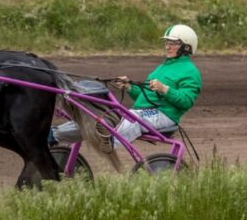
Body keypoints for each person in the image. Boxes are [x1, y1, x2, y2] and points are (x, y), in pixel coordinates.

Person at [50, 24, 203, 148]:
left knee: (133, 117)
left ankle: (108, 143)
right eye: (166, 42)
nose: (167, 47)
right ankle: (55, 135)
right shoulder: (163, 67)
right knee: (103, 115)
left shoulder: (191, 72)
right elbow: (146, 95)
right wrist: (129, 87)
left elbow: (186, 101)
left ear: (186, 47)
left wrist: (165, 90)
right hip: (145, 112)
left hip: (165, 116)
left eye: (173, 43)